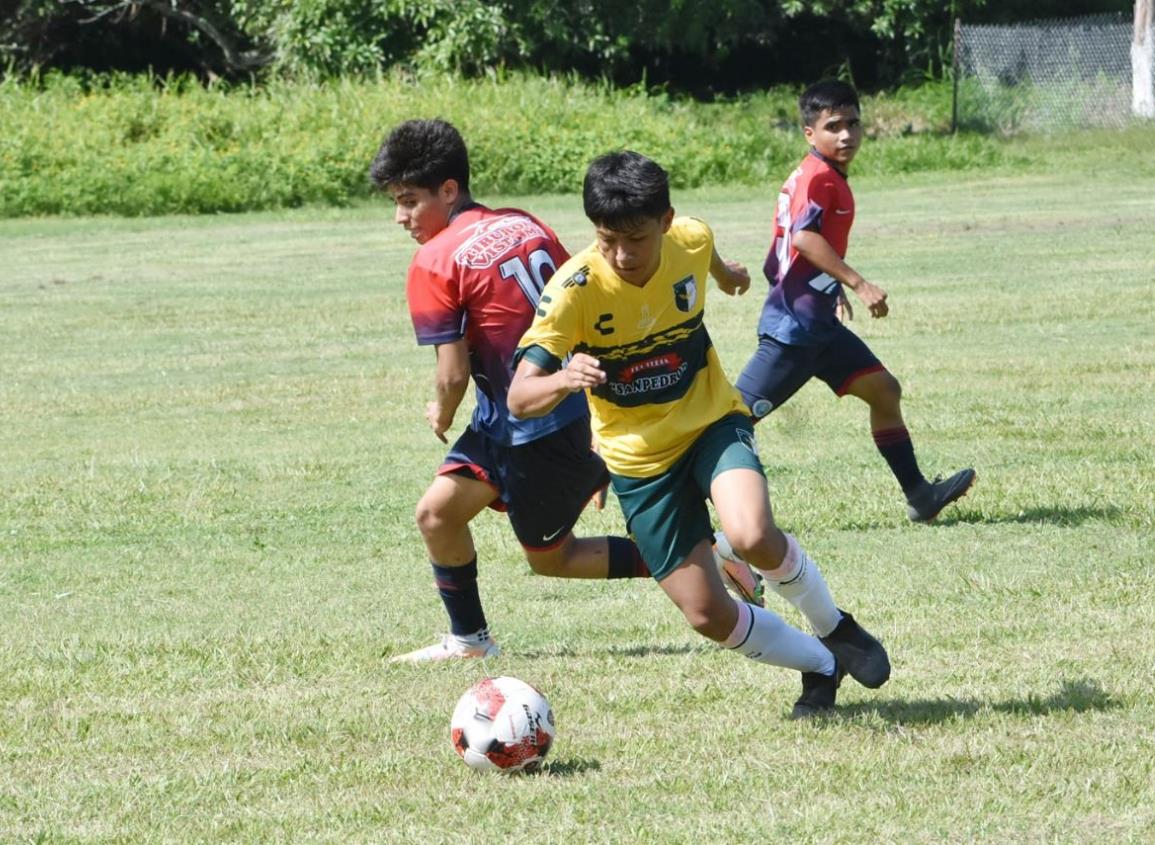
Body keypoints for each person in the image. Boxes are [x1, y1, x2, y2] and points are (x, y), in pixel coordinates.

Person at [509, 150, 889, 718]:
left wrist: (729, 276)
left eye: (634, 239)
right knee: (707, 615)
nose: (619, 254)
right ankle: (821, 666)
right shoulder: (575, 290)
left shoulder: (689, 238)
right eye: (606, 238)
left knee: (753, 531)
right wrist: (564, 378)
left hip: (711, 421)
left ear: (665, 222)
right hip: (638, 463)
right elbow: (520, 394)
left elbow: (707, 259)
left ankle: (836, 626)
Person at [370, 120, 763, 664]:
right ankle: (469, 641)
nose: (401, 217)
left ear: (449, 190)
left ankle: (707, 558)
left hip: (534, 423)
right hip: (526, 415)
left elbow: (453, 371)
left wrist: (440, 406)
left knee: (551, 558)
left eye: (409, 201)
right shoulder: (521, 222)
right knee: (437, 514)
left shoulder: (434, 261)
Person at [733, 80, 975, 523]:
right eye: (832, 126)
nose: (846, 135)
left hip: (817, 325)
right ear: (810, 133)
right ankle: (675, 496)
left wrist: (829, 284)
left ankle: (920, 495)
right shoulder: (820, 177)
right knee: (730, 421)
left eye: (853, 124)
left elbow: (782, 255)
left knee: (884, 390)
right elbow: (804, 239)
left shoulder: (818, 175)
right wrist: (858, 283)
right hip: (795, 332)